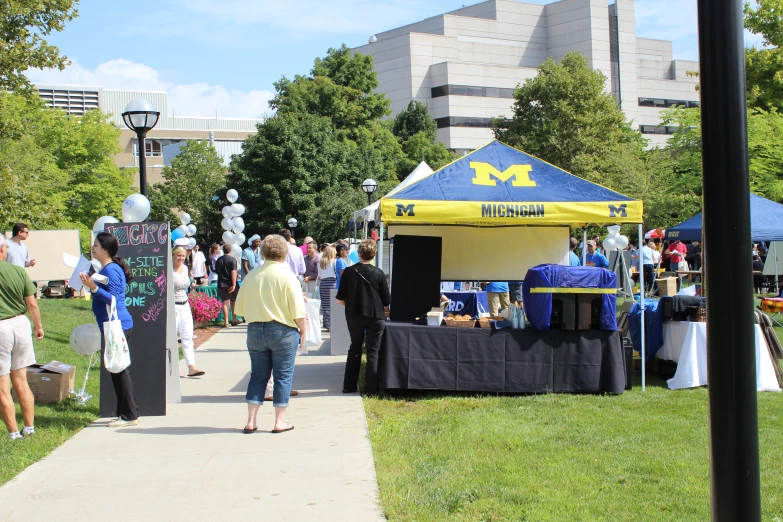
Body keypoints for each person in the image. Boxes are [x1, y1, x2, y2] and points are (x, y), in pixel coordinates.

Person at [234, 234, 306, 434]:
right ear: (284, 254)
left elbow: (238, 309)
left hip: (256, 329)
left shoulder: (251, 276)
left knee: (257, 375)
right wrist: (303, 331)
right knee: (283, 376)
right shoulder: (287, 276)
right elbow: (298, 311)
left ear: (263, 252)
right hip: (283, 330)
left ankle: (251, 420)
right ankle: (279, 421)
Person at [79, 232, 140, 427]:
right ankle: (125, 413)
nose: (93, 248)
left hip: (116, 325)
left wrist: (94, 288)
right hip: (113, 325)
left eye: (95, 245)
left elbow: (113, 299)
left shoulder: (111, 270)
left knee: (119, 369)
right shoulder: (108, 269)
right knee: (117, 369)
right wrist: (92, 285)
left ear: (105, 249)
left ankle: (129, 415)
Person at [0, 238, 43, 440]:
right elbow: (32, 303)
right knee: (21, 381)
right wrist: (38, 326)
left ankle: (13, 433)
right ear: (2, 249)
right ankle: (29, 428)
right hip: (20, 324)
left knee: (2, 386)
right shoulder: (18, 271)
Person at [336, 240, 390, 396]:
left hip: (354, 315)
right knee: (373, 351)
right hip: (375, 315)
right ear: (373, 255)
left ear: (359, 253)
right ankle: (371, 390)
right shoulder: (378, 273)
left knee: (355, 348)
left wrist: (353, 305)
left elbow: (340, 299)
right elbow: (387, 300)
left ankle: (349, 386)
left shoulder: (348, 272)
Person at [172, 246, 205, 377]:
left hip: (184, 304)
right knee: (172, 338)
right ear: (172, 256)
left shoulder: (185, 268)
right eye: (178, 255)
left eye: (183, 256)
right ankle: (174, 368)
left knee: (187, 336)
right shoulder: (168, 270)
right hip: (173, 305)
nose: (181, 258)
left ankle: (191, 366)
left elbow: (187, 286)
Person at [215, 244, 240, 327]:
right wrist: (234, 284)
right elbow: (233, 272)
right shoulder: (232, 259)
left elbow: (216, 271)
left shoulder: (219, 259)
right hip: (230, 283)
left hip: (221, 283)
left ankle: (226, 322)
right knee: (234, 301)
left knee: (225, 302)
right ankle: (234, 319)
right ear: (230, 250)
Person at [318, 245, 337, 330]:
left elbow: (319, 275)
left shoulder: (321, 262)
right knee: (333, 304)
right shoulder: (335, 261)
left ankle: (327, 323)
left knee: (325, 305)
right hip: (333, 282)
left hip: (323, 283)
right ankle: (332, 324)